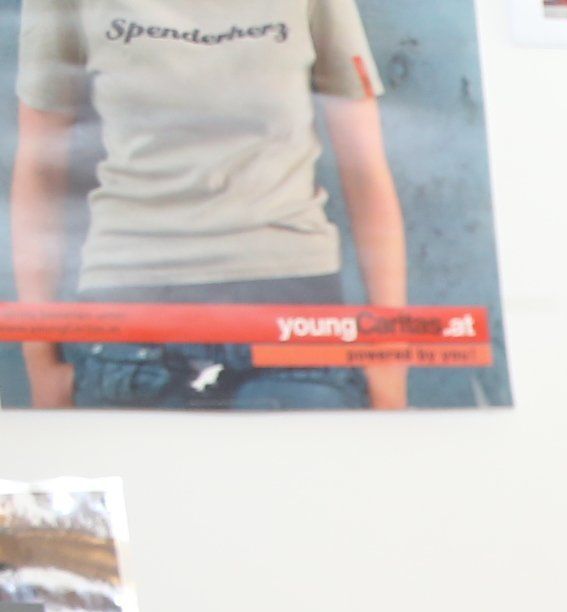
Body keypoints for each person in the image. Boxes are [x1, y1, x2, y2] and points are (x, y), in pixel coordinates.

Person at [13, 0, 409, 411]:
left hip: (293, 324)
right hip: (128, 338)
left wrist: (391, 358)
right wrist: (40, 360)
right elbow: (40, 171)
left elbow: (365, 170)